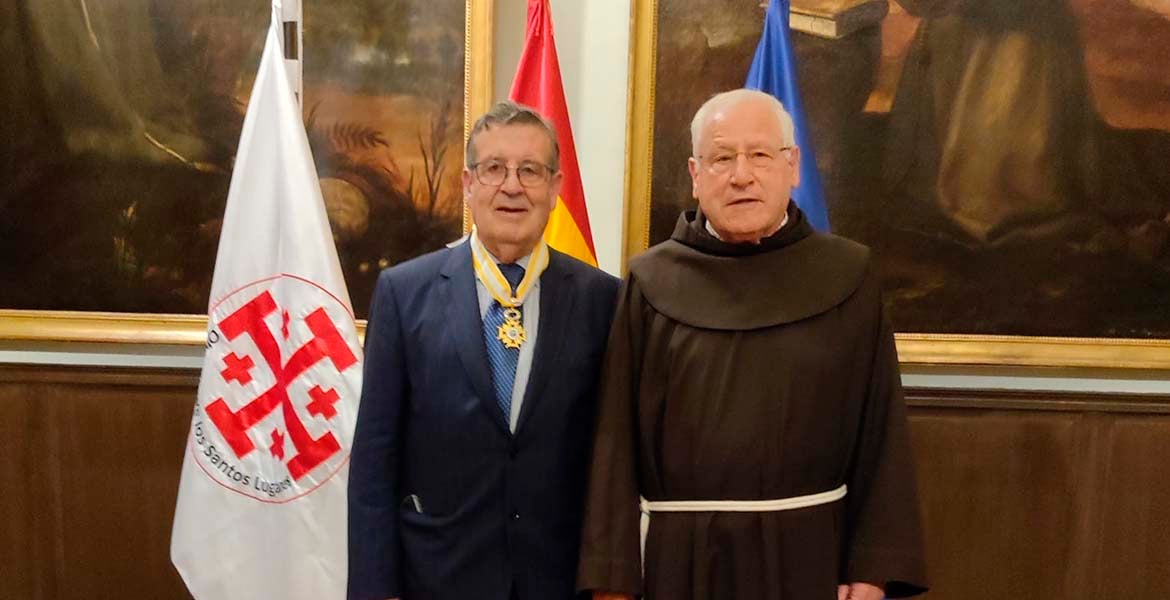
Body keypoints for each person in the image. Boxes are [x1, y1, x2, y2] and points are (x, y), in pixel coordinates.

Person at [577, 89, 928, 600]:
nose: (741, 175)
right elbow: (615, 440)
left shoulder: (848, 274)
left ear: (793, 166)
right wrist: (613, 581)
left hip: (812, 558)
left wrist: (874, 567)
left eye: (760, 154)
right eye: (722, 158)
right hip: (680, 563)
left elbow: (882, 429)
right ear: (696, 175)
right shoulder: (651, 281)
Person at [348, 101, 620, 600]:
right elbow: (374, 458)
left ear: (555, 188)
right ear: (469, 184)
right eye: (494, 168)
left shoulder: (602, 300)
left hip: (558, 579)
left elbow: (612, 457)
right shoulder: (404, 293)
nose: (512, 186)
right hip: (437, 576)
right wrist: (375, 588)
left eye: (530, 170)